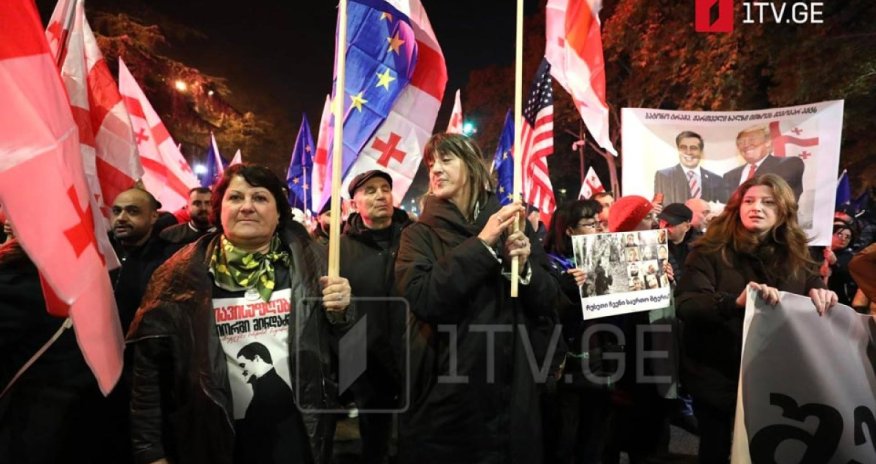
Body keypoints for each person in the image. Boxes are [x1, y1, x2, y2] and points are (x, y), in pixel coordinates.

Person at [127, 164, 354, 464]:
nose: (247, 207)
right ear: (219, 209)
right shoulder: (179, 275)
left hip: (297, 437)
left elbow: (354, 352)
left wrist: (344, 314)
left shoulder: (317, 263)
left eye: (260, 198)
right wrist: (150, 451)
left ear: (278, 213)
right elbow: (148, 372)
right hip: (211, 441)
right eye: (236, 198)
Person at [394, 133, 560, 464]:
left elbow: (549, 301)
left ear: (471, 167)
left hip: (512, 391)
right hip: (448, 392)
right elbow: (425, 297)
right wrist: (482, 246)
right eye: (431, 163)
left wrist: (525, 269)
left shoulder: (514, 224)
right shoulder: (419, 234)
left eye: (445, 160)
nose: (435, 170)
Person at [676, 174, 837, 462]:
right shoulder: (708, 251)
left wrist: (820, 290)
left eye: (768, 202)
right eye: (749, 201)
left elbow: (810, 280)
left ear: (783, 211)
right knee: (717, 450)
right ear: (737, 207)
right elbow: (687, 305)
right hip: (718, 378)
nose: (757, 207)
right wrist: (733, 302)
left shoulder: (795, 253)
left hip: (775, 377)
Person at [339, 169, 412, 464]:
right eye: (370, 191)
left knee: (412, 434)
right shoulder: (337, 250)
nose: (381, 195)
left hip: (412, 350)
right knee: (374, 438)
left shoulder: (415, 238)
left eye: (385, 188)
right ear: (354, 203)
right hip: (366, 358)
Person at [542, 199, 618, 464]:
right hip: (570, 363)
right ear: (569, 231)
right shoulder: (550, 264)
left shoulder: (606, 257)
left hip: (602, 356)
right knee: (566, 436)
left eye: (599, 223)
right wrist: (563, 289)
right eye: (589, 224)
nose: (598, 228)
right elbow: (546, 313)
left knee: (596, 434)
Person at [723, 125, 805, 201]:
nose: (746, 145)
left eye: (752, 139)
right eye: (741, 142)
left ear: (767, 142)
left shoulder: (789, 165)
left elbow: (782, 199)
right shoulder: (729, 176)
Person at [654, 131, 725, 205]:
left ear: (701, 151)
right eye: (683, 147)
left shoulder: (716, 180)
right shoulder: (663, 176)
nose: (688, 152)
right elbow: (659, 207)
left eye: (693, 148)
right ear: (678, 150)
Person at [823, 221, 858, 305]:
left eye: (847, 237)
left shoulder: (850, 256)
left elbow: (850, 277)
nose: (843, 238)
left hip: (838, 300)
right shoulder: (818, 251)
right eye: (839, 234)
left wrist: (835, 263)